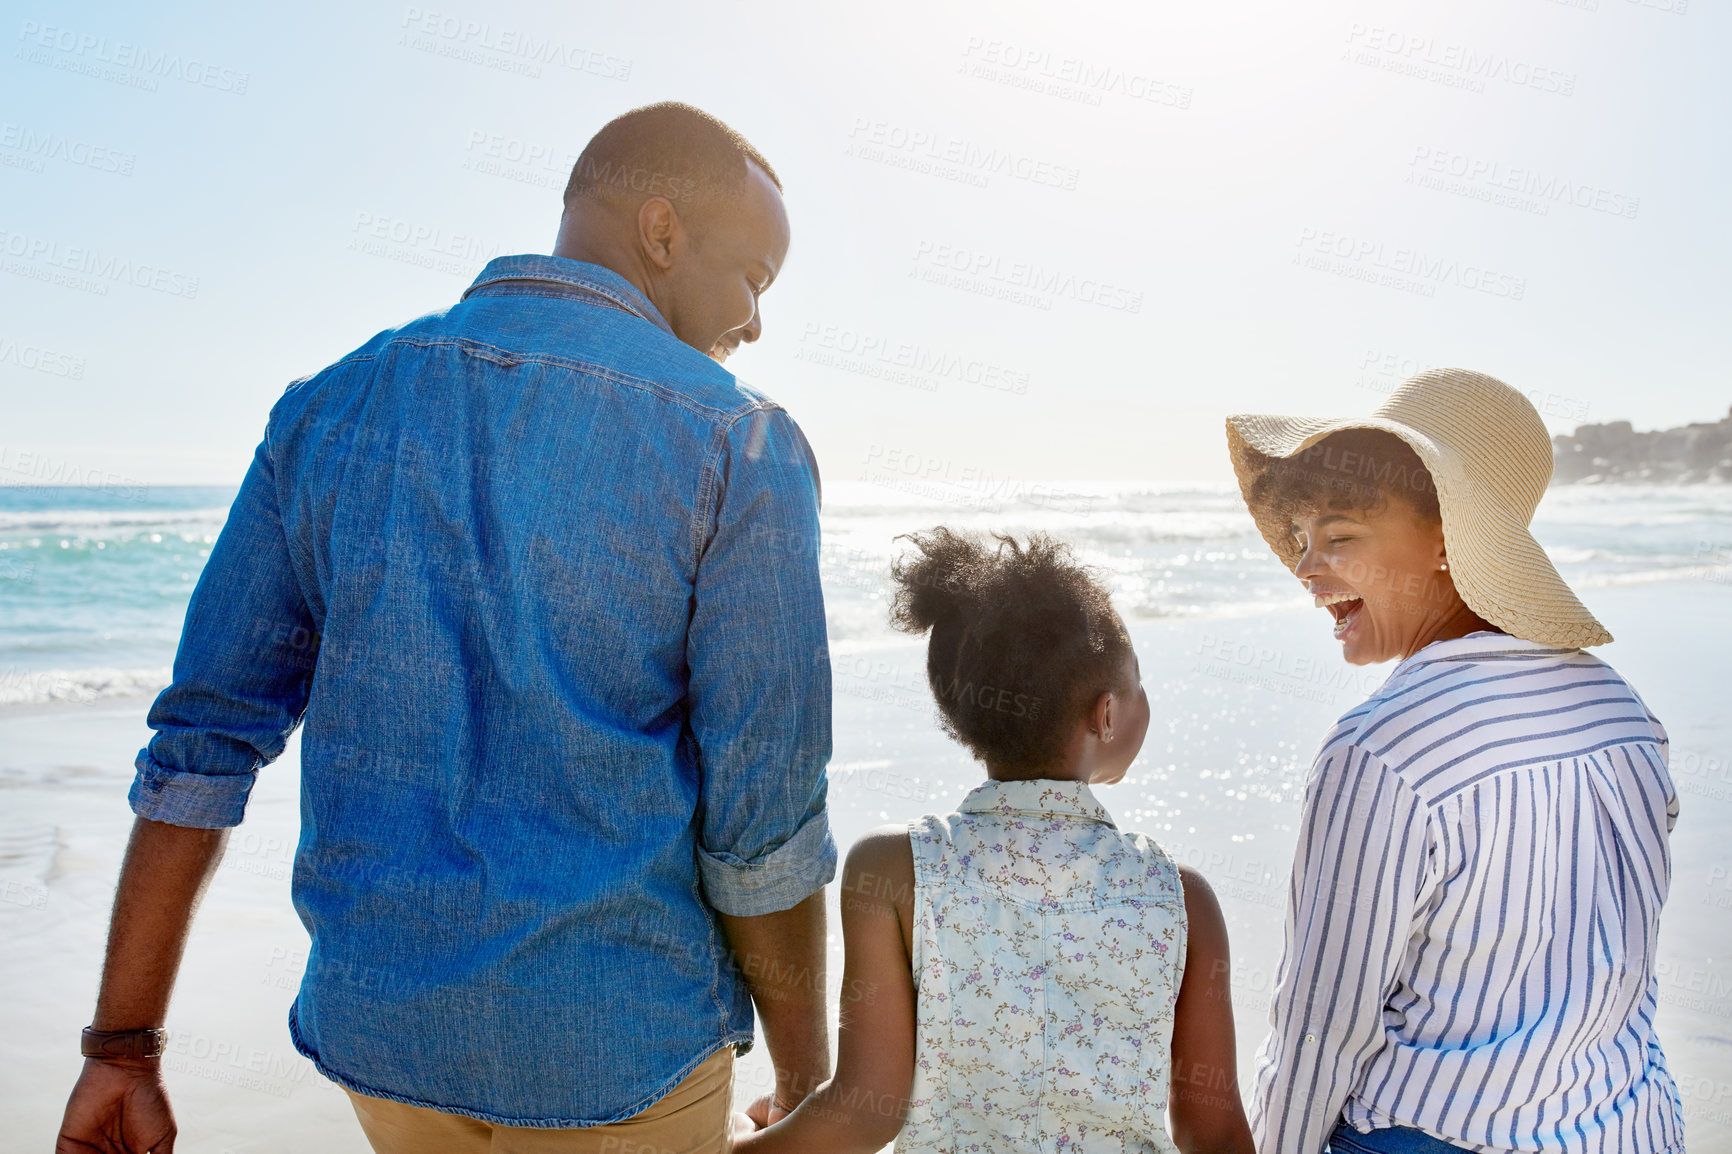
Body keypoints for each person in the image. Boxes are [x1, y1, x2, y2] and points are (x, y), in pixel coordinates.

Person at [57, 102, 836, 1154]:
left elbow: (203, 742)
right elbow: (763, 822)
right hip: (623, 1056)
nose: (752, 321)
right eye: (755, 277)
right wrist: (805, 1071)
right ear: (661, 232)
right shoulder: (736, 439)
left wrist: (122, 1048)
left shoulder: (326, 406)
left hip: (386, 1046)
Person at [1226, 368, 1685, 1154]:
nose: (1305, 569)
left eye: (1339, 537)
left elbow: (1320, 1031)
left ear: (1444, 538)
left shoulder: (1381, 750)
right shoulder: (1627, 716)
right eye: (1303, 540)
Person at [734, 529, 1257, 1154]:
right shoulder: (1180, 896)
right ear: (1107, 715)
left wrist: (740, 1147)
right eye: (1138, 683)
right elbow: (1215, 1132)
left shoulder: (894, 870)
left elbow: (865, 1111)